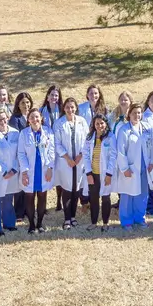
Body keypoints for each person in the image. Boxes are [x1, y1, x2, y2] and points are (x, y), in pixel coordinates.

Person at [115, 103, 153, 230]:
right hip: (130, 167)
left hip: (144, 167)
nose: (137, 115)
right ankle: (126, 221)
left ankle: (140, 218)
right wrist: (125, 168)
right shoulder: (124, 130)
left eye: (139, 113)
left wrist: (152, 162)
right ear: (129, 114)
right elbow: (120, 151)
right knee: (127, 195)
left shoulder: (147, 128)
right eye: (134, 113)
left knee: (142, 194)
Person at [17, 108, 56, 234]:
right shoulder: (23, 134)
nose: (35, 120)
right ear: (28, 120)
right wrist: (24, 171)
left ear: (41, 118)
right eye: (32, 117)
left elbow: (52, 151)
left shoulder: (48, 132)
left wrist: (50, 168)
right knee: (29, 197)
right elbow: (21, 154)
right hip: (29, 170)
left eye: (37, 117)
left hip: (44, 170)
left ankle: (39, 223)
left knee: (42, 196)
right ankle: (31, 225)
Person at [54, 97, 89, 229]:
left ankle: (73, 216)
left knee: (77, 189)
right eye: (68, 107)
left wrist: (81, 155)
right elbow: (56, 143)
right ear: (64, 108)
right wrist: (67, 157)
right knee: (67, 190)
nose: (70, 109)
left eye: (72, 107)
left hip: (79, 161)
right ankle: (67, 219)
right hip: (66, 162)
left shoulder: (82, 122)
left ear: (76, 108)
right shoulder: (59, 123)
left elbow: (87, 140)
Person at [83, 113, 116, 231]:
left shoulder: (111, 137)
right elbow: (86, 156)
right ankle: (93, 222)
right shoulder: (89, 137)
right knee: (93, 198)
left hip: (105, 173)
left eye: (102, 123)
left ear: (106, 124)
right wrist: (88, 173)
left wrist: (109, 174)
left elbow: (113, 156)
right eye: (97, 123)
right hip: (93, 174)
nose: (99, 125)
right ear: (93, 125)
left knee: (106, 198)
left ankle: (106, 223)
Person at [8, 91, 33, 220]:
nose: (26, 105)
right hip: (19, 154)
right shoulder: (15, 119)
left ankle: (28, 210)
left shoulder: (33, 116)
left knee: (28, 183)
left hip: (31, 155)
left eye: (28, 102)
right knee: (20, 185)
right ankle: (19, 212)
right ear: (18, 104)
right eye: (23, 103)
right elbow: (16, 138)